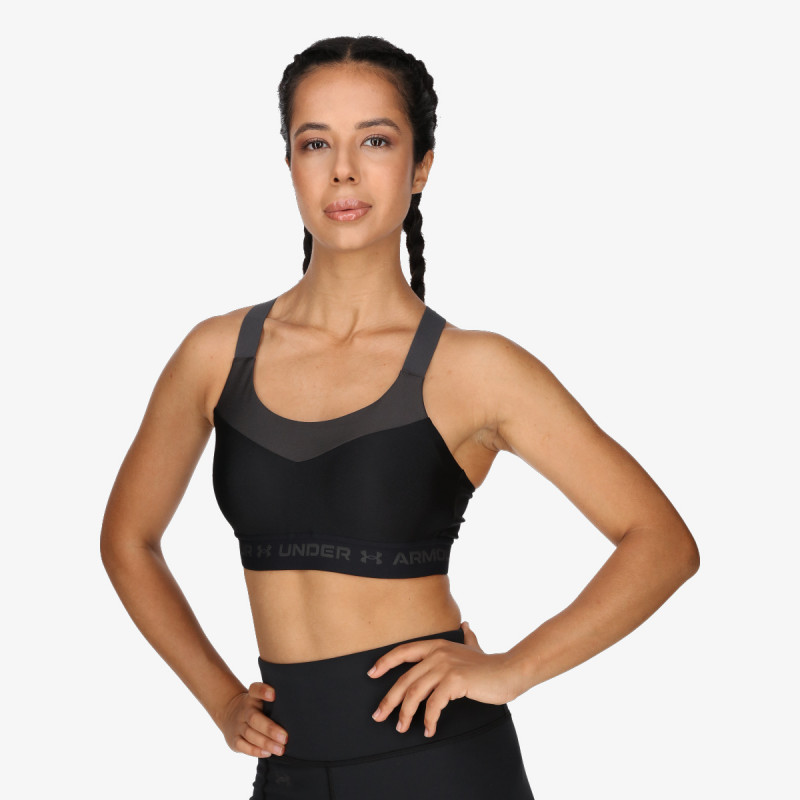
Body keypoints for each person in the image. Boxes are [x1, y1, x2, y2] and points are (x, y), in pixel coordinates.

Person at [100, 35, 700, 800]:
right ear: (289, 162)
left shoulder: (475, 368)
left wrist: (513, 668)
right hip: (288, 770)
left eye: (376, 140)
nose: (343, 170)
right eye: (315, 142)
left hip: (438, 764)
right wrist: (219, 698)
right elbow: (128, 540)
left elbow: (661, 542)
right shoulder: (216, 354)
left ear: (421, 167)